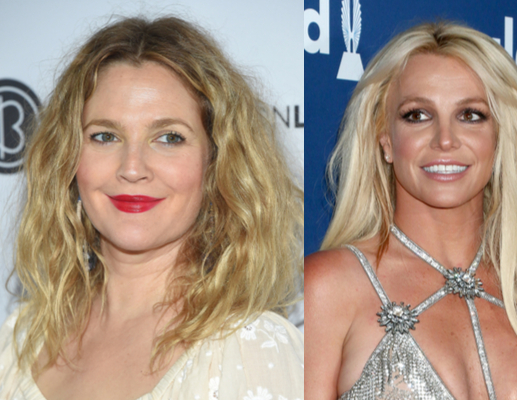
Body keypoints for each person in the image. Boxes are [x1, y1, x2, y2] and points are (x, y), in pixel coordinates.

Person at [0, 16, 304, 399]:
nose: (132, 168)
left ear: (216, 162)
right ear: (67, 158)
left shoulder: (254, 348)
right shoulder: (18, 341)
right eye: (105, 136)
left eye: (169, 138)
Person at [305, 21, 517, 400]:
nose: (445, 140)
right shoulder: (329, 288)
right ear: (386, 140)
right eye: (417, 115)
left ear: (500, 137)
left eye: (471, 115)